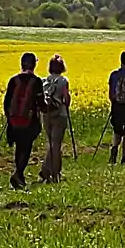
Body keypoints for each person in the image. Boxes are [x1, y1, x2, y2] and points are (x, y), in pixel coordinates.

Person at [2, 51, 46, 188]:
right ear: (34, 65)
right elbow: (40, 101)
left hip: (14, 121)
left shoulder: (13, 80)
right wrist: (46, 109)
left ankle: (19, 175)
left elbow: (6, 101)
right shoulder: (36, 81)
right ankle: (18, 173)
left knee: (18, 147)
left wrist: (9, 117)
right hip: (29, 121)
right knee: (26, 148)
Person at [40, 53, 72, 183]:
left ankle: (52, 171)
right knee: (56, 145)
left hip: (46, 114)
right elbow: (66, 99)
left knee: (51, 143)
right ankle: (51, 172)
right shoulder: (63, 81)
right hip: (59, 114)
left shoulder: (43, 81)